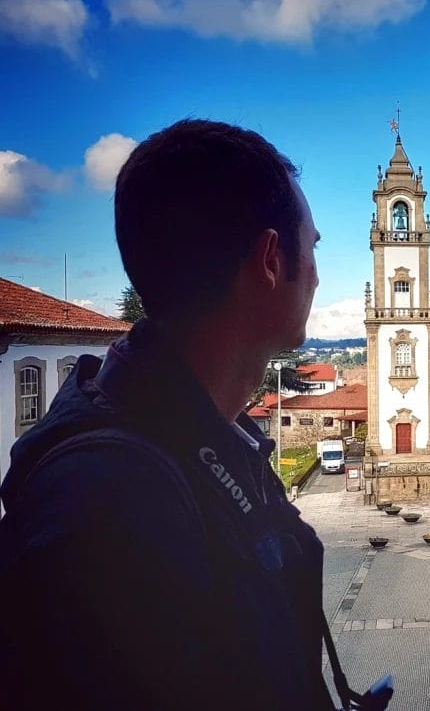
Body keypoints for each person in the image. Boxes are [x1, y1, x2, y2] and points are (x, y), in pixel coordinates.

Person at [0, 120, 366, 710]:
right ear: (270, 260)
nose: (319, 274)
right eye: (314, 247)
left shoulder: (200, 442)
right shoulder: (107, 507)